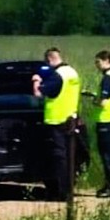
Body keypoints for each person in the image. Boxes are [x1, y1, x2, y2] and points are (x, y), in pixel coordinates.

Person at [32, 47, 81, 200]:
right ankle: (70, 187)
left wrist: (36, 80)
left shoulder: (57, 76)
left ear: (50, 59)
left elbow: (39, 93)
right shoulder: (72, 72)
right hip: (71, 119)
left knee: (60, 158)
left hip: (57, 120)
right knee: (70, 156)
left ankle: (62, 192)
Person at [84, 50, 110, 198]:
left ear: (106, 60)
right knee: (109, 153)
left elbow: (104, 102)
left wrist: (94, 100)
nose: (97, 66)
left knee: (107, 154)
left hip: (106, 118)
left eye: (98, 62)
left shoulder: (108, 78)